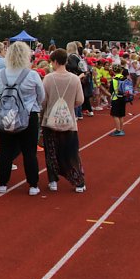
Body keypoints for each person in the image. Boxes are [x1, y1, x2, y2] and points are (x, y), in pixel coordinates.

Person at [0, 41, 46, 196]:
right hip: (28, 116)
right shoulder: (32, 75)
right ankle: (33, 185)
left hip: (5, 116)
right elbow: (41, 96)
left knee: (5, 150)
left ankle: (2, 183)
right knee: (29, 151)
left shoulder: (0, 74)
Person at [41, 49, 86, 193]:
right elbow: (80, 100)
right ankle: (78, 181)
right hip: (69, 122)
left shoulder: (48, 78)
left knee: (51, 152)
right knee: (71, 153)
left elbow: (43, 101)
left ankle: (53, 181)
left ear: (54, 61)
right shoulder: (74, 79)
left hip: (50, 120)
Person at [109, 64, 128, 137]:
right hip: (123, 98)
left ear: (113, 71)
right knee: (121, 115)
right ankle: (121, 129)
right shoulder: (124, 78)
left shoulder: (114, 80)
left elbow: (111, 90)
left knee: (115, 115)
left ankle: (118, 130)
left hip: (116, 98)